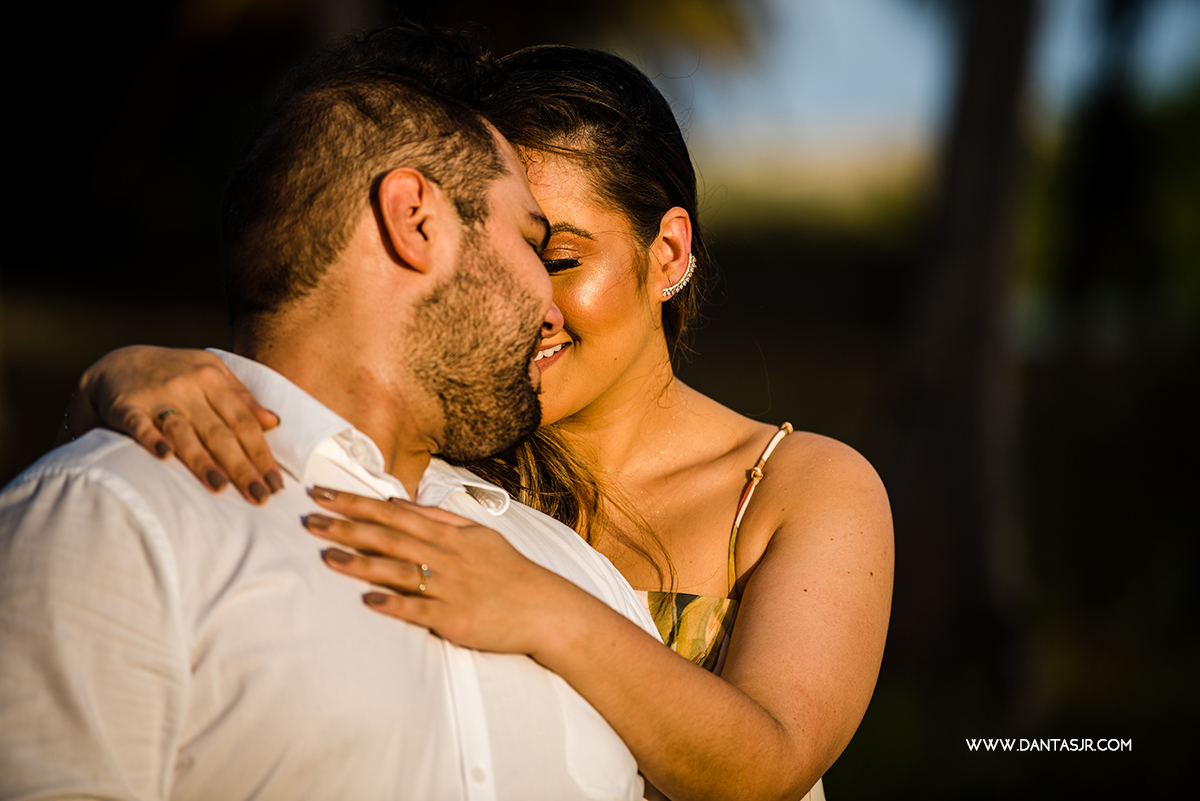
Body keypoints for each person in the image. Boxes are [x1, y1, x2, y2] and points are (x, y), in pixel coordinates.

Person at [63, 45, 894, 801]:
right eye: (500, 254)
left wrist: (544, 605)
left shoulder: (797, 486)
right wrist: (109, 381)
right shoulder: (438, 462)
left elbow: (772, 762)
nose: (529, 300)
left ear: (668, 254)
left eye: (559, 257)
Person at [0, 27, 664, 801]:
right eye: (531, 240)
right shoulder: (115, 522)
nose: (550, 310)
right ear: (415, 219)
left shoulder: (572, 575)